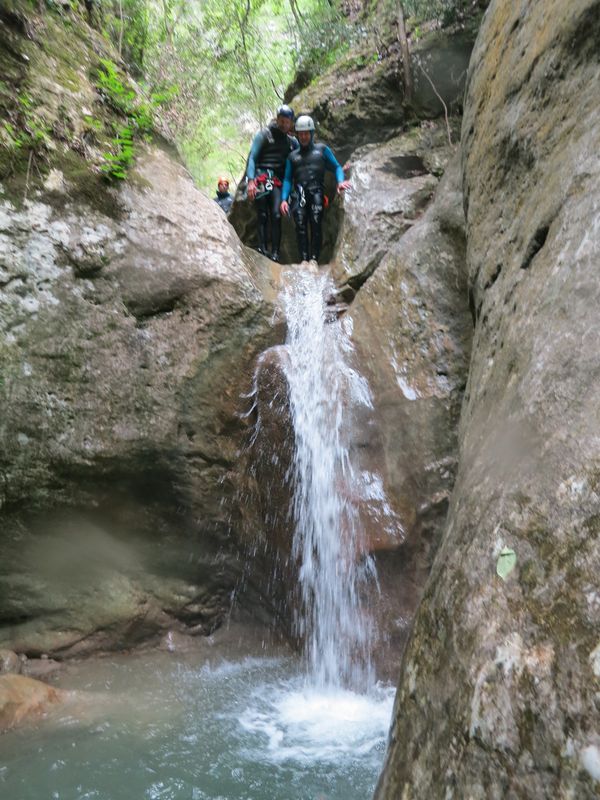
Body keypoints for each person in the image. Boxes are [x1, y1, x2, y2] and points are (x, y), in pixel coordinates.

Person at [280, 115, 351, 265]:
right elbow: (287, 179)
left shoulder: (322, 150)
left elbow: (337, 166)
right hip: (298, 194)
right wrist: (283, 200)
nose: (304, 137)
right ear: (297, 135)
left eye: (306, 133)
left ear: (311, 133)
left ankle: (314, 259)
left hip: (316, 192)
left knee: (316, 223)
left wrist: (340, 182)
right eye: (301, 134)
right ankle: (304, 260)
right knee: (300, 226)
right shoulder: (292, 157)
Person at [246, 105, 298, 262]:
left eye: (287, 122)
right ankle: (262, 247)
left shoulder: (292, 142)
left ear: (291, 123)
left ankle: (275, 252)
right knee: (262, 214)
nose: (283, 124)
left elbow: (304, 152)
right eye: (281, 120)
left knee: (276, 215)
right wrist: (250, 181)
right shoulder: (264, 134)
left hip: (277, 181)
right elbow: (252, 157)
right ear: (277, 119)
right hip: (261, 177)